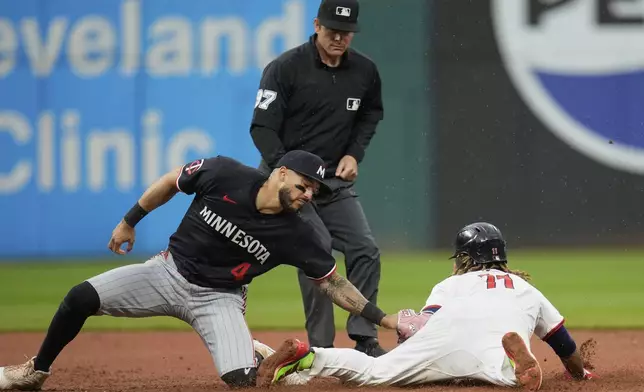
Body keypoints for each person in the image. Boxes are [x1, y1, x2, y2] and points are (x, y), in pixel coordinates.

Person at [0, 150, 408, 391]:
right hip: (166, 273)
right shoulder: (223, 173)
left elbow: (333, 284)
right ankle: (34, 373)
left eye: (313, 192)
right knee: (79, 297)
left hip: (219, 298)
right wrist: (129, 221)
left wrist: (383, 318)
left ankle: (261, 355)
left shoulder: (299, 235)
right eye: (303, 185)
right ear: (281, 171)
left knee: (243, 380)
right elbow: (170, 183)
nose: (307, 195)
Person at [257, 222, 599, 391]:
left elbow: (421, 325)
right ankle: (514, 361)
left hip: (440, 339)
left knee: (375, 372)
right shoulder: (524, 288)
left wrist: (409, 349)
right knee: (508, 377)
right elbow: (563, 342)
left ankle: (309, 354)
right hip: (493, 345)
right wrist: (578, 373)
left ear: (464, 259)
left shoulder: (451, 283)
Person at [249, 0, 386, 357]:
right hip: (291, 185)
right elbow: (262, 128)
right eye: (332, 29)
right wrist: (287, 173)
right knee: (316, 253)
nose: (339, 37)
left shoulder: (365, 71)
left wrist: (355, 153)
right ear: (316, 25)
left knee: (365, 249)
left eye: (346, 31)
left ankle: (364, 337)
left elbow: (371, 113)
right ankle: (323, 347)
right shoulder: (285, 68)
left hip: (334, 185)